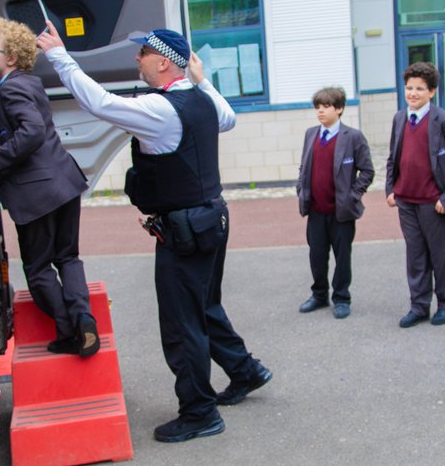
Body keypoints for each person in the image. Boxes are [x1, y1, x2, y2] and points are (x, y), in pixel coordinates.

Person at [35, 22, 271, 443]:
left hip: (185, 231)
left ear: (162, 61)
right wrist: (203, 80)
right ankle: (245, 371)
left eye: (142, 53)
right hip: (210, 222)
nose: (136, 59)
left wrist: (59, 55)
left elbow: (99, 103)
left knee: (182, 325)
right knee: (204, 307)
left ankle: (200, 413)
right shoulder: (200, 100)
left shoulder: (160, 110)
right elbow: (229, 118)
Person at [0, 19, 98, 358]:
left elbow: (30, 133)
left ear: (10, 57)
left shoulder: (11, 89)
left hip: (37, 194)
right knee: (68, 257)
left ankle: (68, 330)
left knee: (39, 269)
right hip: (64, 184)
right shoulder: (24, 82)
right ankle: (84, 320)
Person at [384, 62, 445, 329]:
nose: (413, 93)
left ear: (431, 92)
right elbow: (392, 158)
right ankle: (419, 306)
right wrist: (390, 188)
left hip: (434, 203)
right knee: (415, 255)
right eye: (409, 87)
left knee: (438, 254)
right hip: (406, 200)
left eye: (420, 89)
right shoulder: (399, 118)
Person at [295, 87, 375, 319]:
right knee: (317, 256)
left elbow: (367, 171)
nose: (320, 111)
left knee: (342, 257)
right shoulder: (311, 134)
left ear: (339, 109)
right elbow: (304, 167)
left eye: (326, 106)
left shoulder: (353, 137)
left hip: (341, 212)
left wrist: (353, 195)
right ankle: (319, 295)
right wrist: (301, 188)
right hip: (316, 211)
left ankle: (341, 297)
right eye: (317, 107)